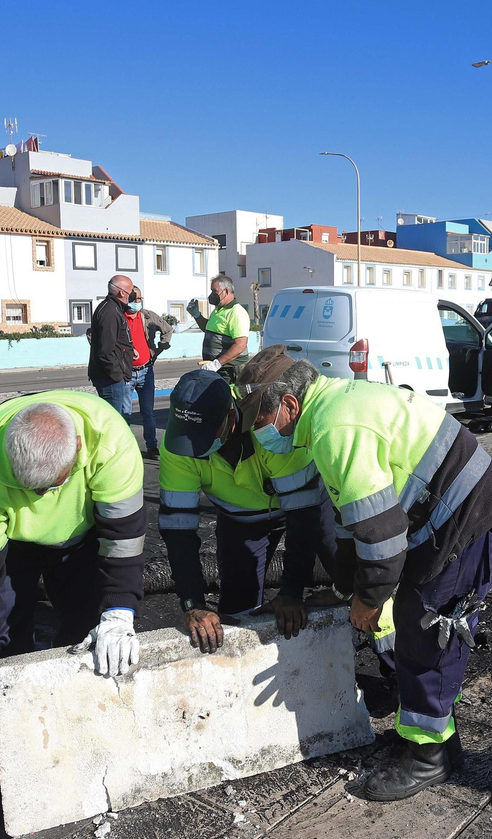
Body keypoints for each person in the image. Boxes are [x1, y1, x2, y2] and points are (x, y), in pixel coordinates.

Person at [236, 346, 492, 802]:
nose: (261, 433)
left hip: (470, 521)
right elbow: (354, 521)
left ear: (289, 404)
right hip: (449, 517)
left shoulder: (333, 429)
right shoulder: (331, 408)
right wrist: (346, 588)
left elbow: (382, 536)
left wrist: (369, 600)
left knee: (428, 636)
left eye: (262, 421)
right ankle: (438, 742)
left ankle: (428, 758)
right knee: (418, 629)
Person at [0, 393, 146, 794]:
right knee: (3, 631)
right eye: (30, 490)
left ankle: (77, 717)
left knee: (85, 624)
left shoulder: (111, 443)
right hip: (12, 545)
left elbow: (122, 540)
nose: (40, 499)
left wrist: (119, 612)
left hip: (82, 537)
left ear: (78, 448)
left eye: (52, 487)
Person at [158, 370, 338, 652]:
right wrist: (193, 603)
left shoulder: (268, 425)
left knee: (348, 572)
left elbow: (302, 519)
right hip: (241, 519)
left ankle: (386, 651)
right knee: (237, 605)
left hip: (307, 504)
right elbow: (177, 529)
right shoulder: (176, 446)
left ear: (231, 418)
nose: (192, 450)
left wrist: (291, 592)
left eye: (202, 439)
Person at [126, 293, 173, 458]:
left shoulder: (148, 316)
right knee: (124, 413)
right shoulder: (118, 316)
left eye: (139, 298)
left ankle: (152, 446)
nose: (137, 301)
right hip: (126, 373)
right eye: (134, 298)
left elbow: (167, 329)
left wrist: (160, 348)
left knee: (148, 412)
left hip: (146, 370)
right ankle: (126, 449)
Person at [88, 276, 138, 414]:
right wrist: (117, 376)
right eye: (130, 291)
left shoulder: (113, 309)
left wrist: (128, 350)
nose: (132, 295)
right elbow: (106, 350)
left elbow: (115, 341)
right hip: (109, 380)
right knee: (113, 419)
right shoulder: (110, 312)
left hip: (111, 378)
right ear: (122, 293)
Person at [190, 275, 250, 377]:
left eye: (214, 291)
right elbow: (208, 329)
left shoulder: (236, 312)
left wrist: (217, 363)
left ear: (225, 291)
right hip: (218, 369)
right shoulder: (218, 310)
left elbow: (240, 345)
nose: (211, 295)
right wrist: (197, 315)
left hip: (230, 371)